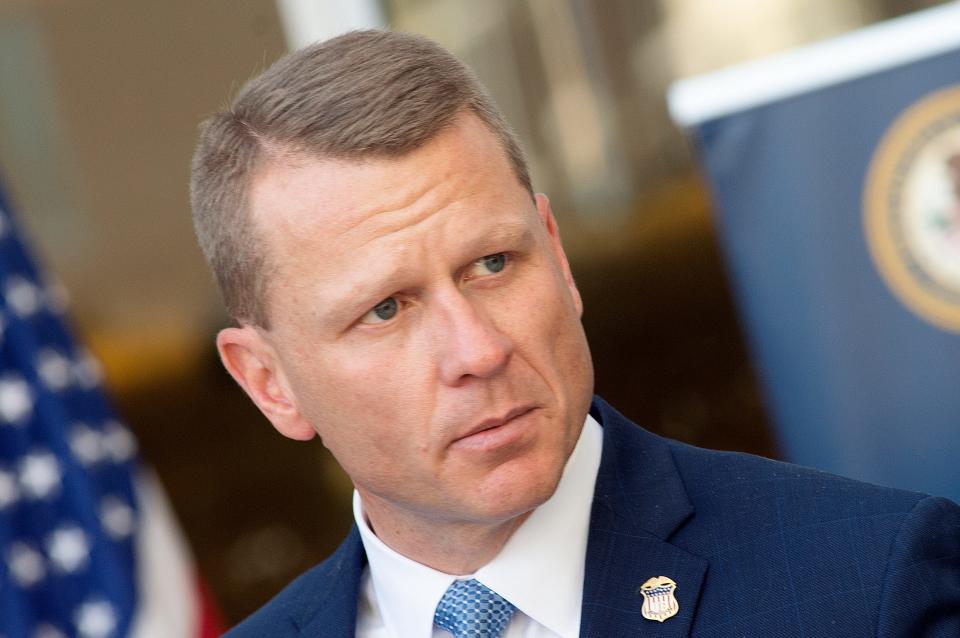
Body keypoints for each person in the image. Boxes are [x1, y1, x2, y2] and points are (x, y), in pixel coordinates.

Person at [189, 30, 960, 638]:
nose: (479, 350)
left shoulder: (865, 584)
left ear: (556, 255)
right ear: (270, 383)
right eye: (387, 309)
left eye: (493, 263)